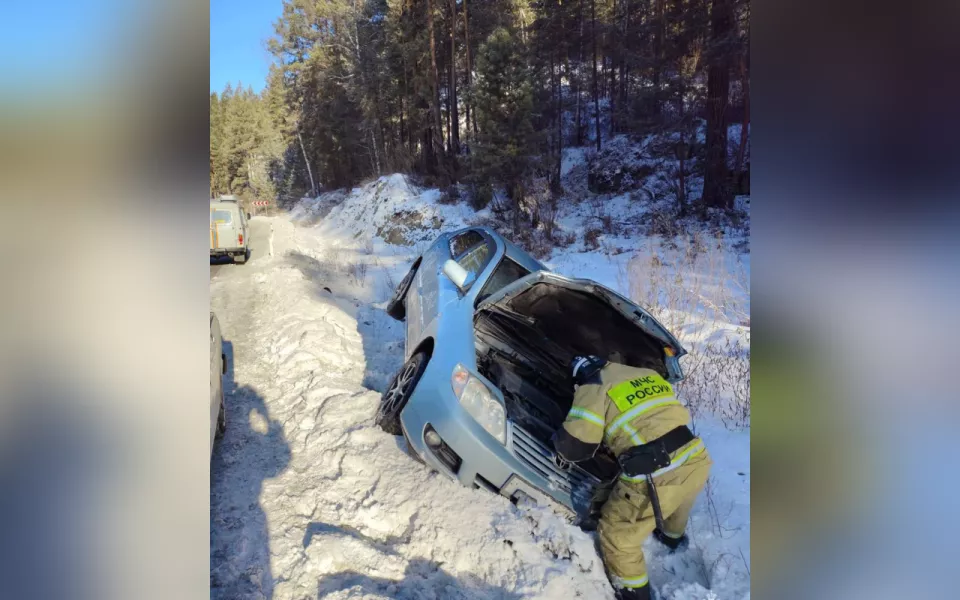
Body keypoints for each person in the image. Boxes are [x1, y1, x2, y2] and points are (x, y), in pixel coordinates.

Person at [552, 355, 712, 600]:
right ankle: (671, 540)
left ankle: (634, 594)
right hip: (695, 457)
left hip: (657, 472)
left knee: (617, 536)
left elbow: (577, 445)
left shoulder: (593, 385)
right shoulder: (643, 372)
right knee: (678, 504)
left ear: (581, 374)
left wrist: (559, 440)